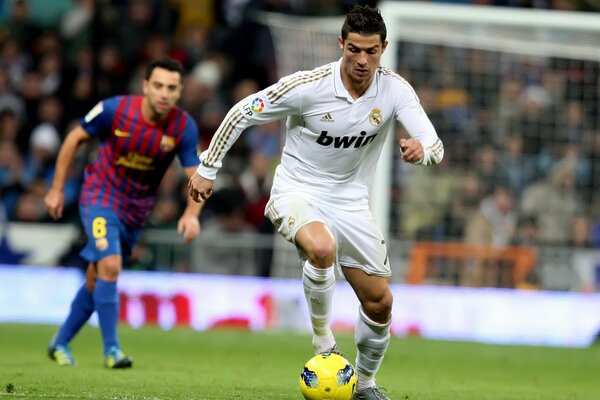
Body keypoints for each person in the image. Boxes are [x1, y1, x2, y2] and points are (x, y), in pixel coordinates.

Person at [188, 5, 443, 399]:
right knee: (322, 248)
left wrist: (419, 150)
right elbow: (242, 112)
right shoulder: (308, 86)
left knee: (380, 303)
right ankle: (324, 343)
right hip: (297, 191)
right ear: (341, 44)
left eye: (371, 51)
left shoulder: (395, 90)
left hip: (351, 202)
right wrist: (209, 166)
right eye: (354, 49)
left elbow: (435, 145)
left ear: (383, 48)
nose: (362, 60)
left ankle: (365, 385)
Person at [44, 58, 202, 368]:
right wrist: (57, 188)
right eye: (158, 86)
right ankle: (112, 351)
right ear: (145, 86)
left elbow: (196, 175)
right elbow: (74, 138)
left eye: (171, 88)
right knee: (111, 264)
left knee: (97, 276)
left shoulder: (184, 127)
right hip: (100, 195)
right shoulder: (114, 110)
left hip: (137, 210)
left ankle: (60, 341)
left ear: (180, 91)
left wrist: (192, 214)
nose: (164, 93)